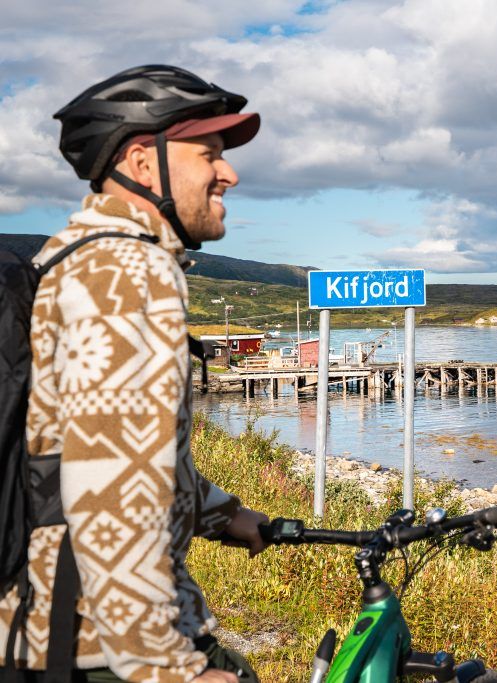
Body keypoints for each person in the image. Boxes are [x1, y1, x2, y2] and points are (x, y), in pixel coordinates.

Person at [0, 66, 268, 683]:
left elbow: (96, 441)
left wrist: (222, 515)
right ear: (145, 165)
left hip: (40, 621)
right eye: (209, 154)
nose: (228, 173)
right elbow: (115, 486)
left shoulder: (72, 257)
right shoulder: (129, 273)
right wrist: (166, 668)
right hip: (86, 643)